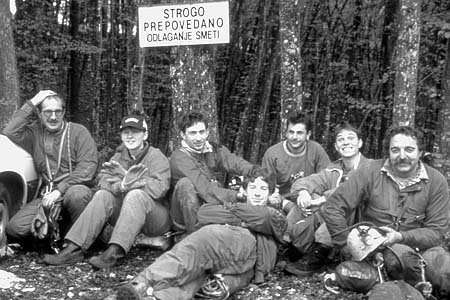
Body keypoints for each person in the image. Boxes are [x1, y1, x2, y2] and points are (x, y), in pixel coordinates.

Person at [109, 171, 287, 300]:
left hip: (239, 244)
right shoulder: (241, 207)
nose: (256, 192)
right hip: (224, 249)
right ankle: (155, 297)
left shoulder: (274, 214)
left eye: (263, 189)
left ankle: (142, 282)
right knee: (197, 274)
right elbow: (204, 213)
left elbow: (263, 216)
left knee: (194, 248)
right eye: (253, 187)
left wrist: (231, 213)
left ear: (271, 194)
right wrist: (243, 219)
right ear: (244, 191)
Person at [322, 126, 450, 298]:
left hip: (424, 250)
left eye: (409, 149)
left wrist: (401, 237)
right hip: (377, 251)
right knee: (376, 280)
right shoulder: (370, 171)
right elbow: (333, 207)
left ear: (420, 152)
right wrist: (346, 245)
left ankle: (417, 285)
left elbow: (436, 232)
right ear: (388, 152)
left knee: (445, 274)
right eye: (395, 150)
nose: (402, 156)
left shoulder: (436, 181)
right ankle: (400, 285)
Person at [42, 114, 171, 269]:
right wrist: (121, 186)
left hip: (155, 219)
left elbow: (159, 189)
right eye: (126, 132)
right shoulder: (118, 156)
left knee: (135, 195)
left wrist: (129, 180)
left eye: (135, 132)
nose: (130, 136)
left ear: (145, 134)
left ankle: (113, 253)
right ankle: (73, 249)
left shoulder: (156, 156)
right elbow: (103, 180)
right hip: (127, 215)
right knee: (103, 195)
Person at [3, 90, 98, 244]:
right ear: (39, 114)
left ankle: (77, 244)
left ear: (64, 112)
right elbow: (10, 131)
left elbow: (88, 167)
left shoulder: (78, 132)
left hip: (74, 192)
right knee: (15, 229)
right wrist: (32, 102)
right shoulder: (35, 133)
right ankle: (57, 232)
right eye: (47, 112)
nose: (53, 117)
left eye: (57, 111)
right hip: (48, 195)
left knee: (77, 195)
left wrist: (60, 190)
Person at [284, 122, 372, 276]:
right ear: (336, 147)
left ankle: (320, 252)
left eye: (351, 138)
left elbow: (352, 191)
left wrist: (322, 200)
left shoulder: (370, 167)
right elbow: (310, 181)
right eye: (341, 139)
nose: (346, 142)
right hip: (334, 219)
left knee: (335, 207)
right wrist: (303, 192)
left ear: (360, 143)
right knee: (306, 198)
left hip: (360, 221)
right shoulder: (334, 169)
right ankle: (294, 245)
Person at [169, 111, 260, 235]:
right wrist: (238, 195)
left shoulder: (212, 149)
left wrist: (256, 173)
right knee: (186, 185)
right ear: (183, 135)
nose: (198, 138)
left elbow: (234, 162)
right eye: (192, 133)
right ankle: (193, 235)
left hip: (208, 206)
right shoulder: (179, 158)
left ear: (207, 132)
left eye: (201, 132)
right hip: (185, 215)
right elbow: (204, 190)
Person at [262, 110, 330, 197]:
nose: (294, 137)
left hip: (309, 197)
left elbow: (327, 179)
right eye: (291, 132)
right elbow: (266, 186)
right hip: (281, 201)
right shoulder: (272, 154)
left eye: (299, 133)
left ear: (308, 134)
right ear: (286, 133)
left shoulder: (316, 150)